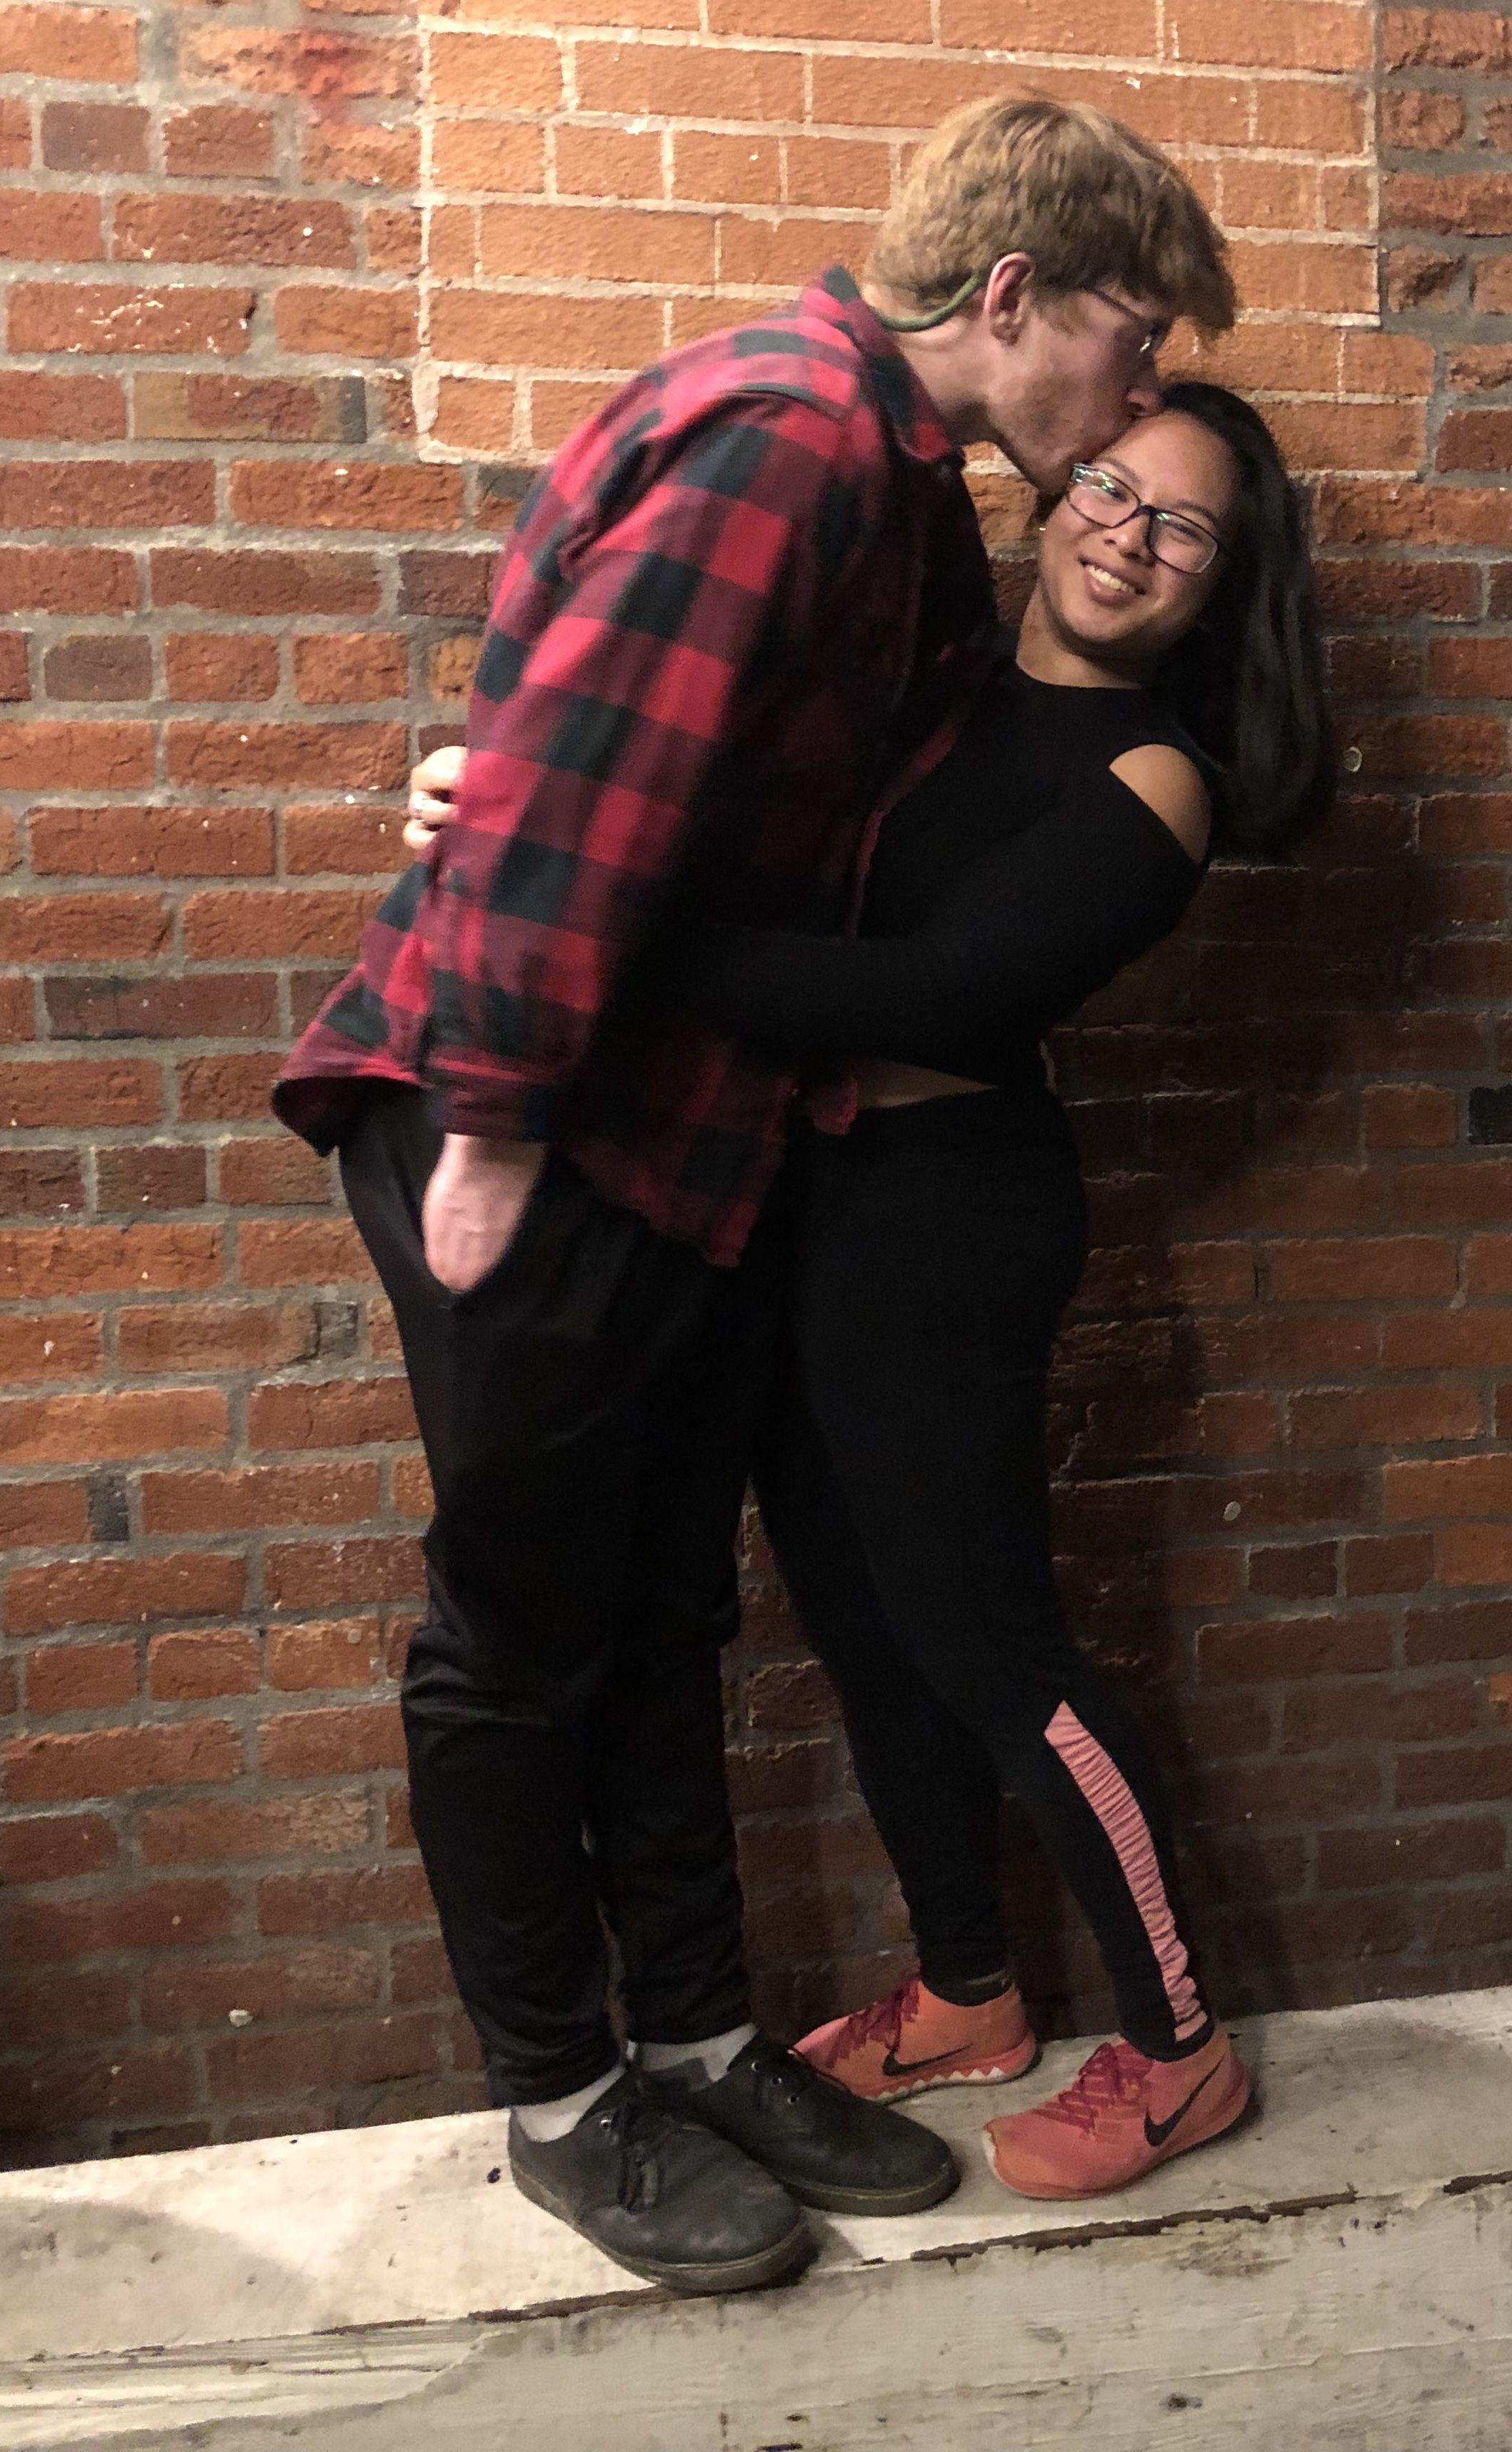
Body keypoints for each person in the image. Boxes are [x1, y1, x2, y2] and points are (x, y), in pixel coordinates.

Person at [270, 93, 1236, 2295]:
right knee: (521, 1640)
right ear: (1016, 298)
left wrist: (492, 781)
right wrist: (496, 1116)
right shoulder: (795, 436)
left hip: (673, 1138)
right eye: (1137, 338)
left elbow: (644, 771)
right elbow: (595, 794)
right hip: (543, 1129)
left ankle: (693, 2036)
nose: (1137, 396)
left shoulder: (885, 485)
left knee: (669, 1615)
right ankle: (566, 2093)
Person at [403, 378, 1333, 2202]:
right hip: (810, 1203)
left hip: (948, 1226)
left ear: (1225, 588)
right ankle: (972, 1992)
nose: (1124, 536)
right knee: (866, 1630)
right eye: (1111, 488)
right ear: (1054, 489)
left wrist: (594, 921)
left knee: (996, 1649)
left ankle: (1180, 2046)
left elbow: (922, 996)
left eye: (1182, 529)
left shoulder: (1155, 779)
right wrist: (504, 805)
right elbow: (704, 797)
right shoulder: (933, 697)